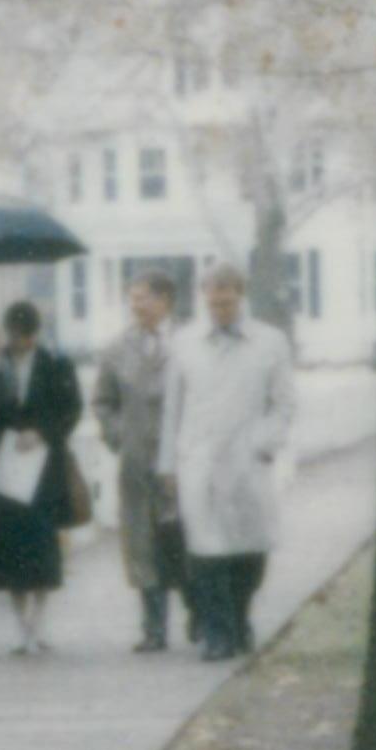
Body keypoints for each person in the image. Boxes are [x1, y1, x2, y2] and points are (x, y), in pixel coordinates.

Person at [160, 263, 297, 663]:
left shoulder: (270, 342)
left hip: (248, 458)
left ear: (241, 296)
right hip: (198, 459)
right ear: (203, 297)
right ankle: (217, 634)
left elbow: (284, 403)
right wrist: (167, 465)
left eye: (227, 298)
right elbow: (173, 408)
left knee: (250, 548)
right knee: (205, 549)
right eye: (212, 298)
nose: (220, 305)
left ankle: (240, 618)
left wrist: (265, 442)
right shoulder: (185, 343)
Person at [0, 301, 82, 654]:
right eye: (13, 336)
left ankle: (38, 624)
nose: (17, 342)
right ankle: (22, 627)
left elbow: (71, 409)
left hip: (43, 465)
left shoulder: (56, 363)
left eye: (23, 337)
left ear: (34, 334)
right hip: (6, 465)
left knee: (41, 547)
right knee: (11, 550)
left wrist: (42, 433)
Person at [91, 269, 186, 654]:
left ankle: (202, 616)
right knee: (142, 544)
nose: (136, 306)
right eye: (132, 299)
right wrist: (120, 437)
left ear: (165, 301)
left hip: (182, 460)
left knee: (186, 537)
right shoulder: (116, 349)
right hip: (135, 463)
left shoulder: (188, 343)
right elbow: (102, 402)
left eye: (143, 298)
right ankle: (154, 627)